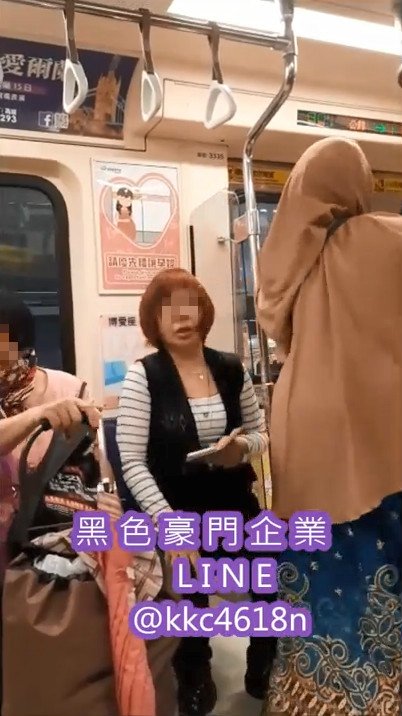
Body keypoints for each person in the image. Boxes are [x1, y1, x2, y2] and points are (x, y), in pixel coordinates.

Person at [256, 136, 402, 715]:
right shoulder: (390, 238)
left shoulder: (286, 268)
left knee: (322, 580)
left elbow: (274, 322)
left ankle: (321, 697)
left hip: (310, 443)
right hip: (388, 436)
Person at [116, 267, 276, 716]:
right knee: (189, 592)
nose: (182, 317)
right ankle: (194, 673)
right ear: (153, 320)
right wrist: (169, 526)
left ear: (204, 312)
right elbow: (132, 462)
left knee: (270, 577)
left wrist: (240, 449)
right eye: (168, 309)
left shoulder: (230, 367)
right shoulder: (143, 377)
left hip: (234, 500)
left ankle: (263, 662)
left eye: (190, 306)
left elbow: (262, 432)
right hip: (173, 506)